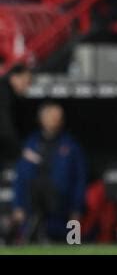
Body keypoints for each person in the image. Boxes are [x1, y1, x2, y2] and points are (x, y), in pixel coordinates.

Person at [12, 102, 86, 243]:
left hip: (62, 208)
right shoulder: (31, 144)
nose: (55, 119)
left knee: (73, 244)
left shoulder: (71, 146)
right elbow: (21, 177)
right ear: (41, 118)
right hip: (32, 209)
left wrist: (77, 207)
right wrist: (18, 205)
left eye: (58, 116)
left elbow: (79, 178)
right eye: (51, 116)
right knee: (28, 242)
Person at [0, 64, 32, 169]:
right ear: (14, 78)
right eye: (24, 82)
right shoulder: (3, 92)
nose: (26, 87)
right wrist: (20, 150)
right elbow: (5, 126)